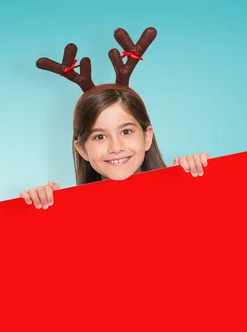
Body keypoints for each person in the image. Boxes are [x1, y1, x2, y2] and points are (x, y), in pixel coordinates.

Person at [21, 26, 209, 209]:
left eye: (126, 131)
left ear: (147, 137)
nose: (116, 148)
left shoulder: (184, 189)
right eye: (100, 136)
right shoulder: (74, 213)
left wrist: (203, 177)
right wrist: (35, 209)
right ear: (82, 149)